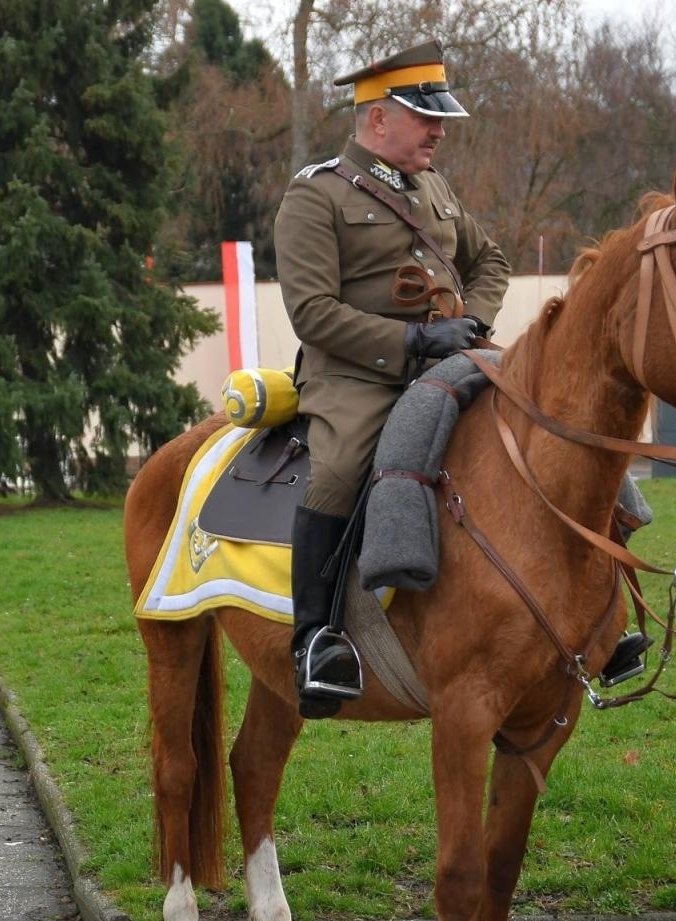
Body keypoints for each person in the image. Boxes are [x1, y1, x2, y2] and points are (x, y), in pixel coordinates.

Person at [272, 39, 509, 717]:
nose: (440, 131)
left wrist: (469, 321)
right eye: (427, 118)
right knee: (340, 467)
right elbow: (312, 313)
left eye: (441, 119)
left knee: (538, 414)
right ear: (378, 119)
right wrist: (412, 340)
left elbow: (490, 261)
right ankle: (315, 639)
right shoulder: (315, 194)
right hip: (356, 378)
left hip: (449, 360)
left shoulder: (434, 187)